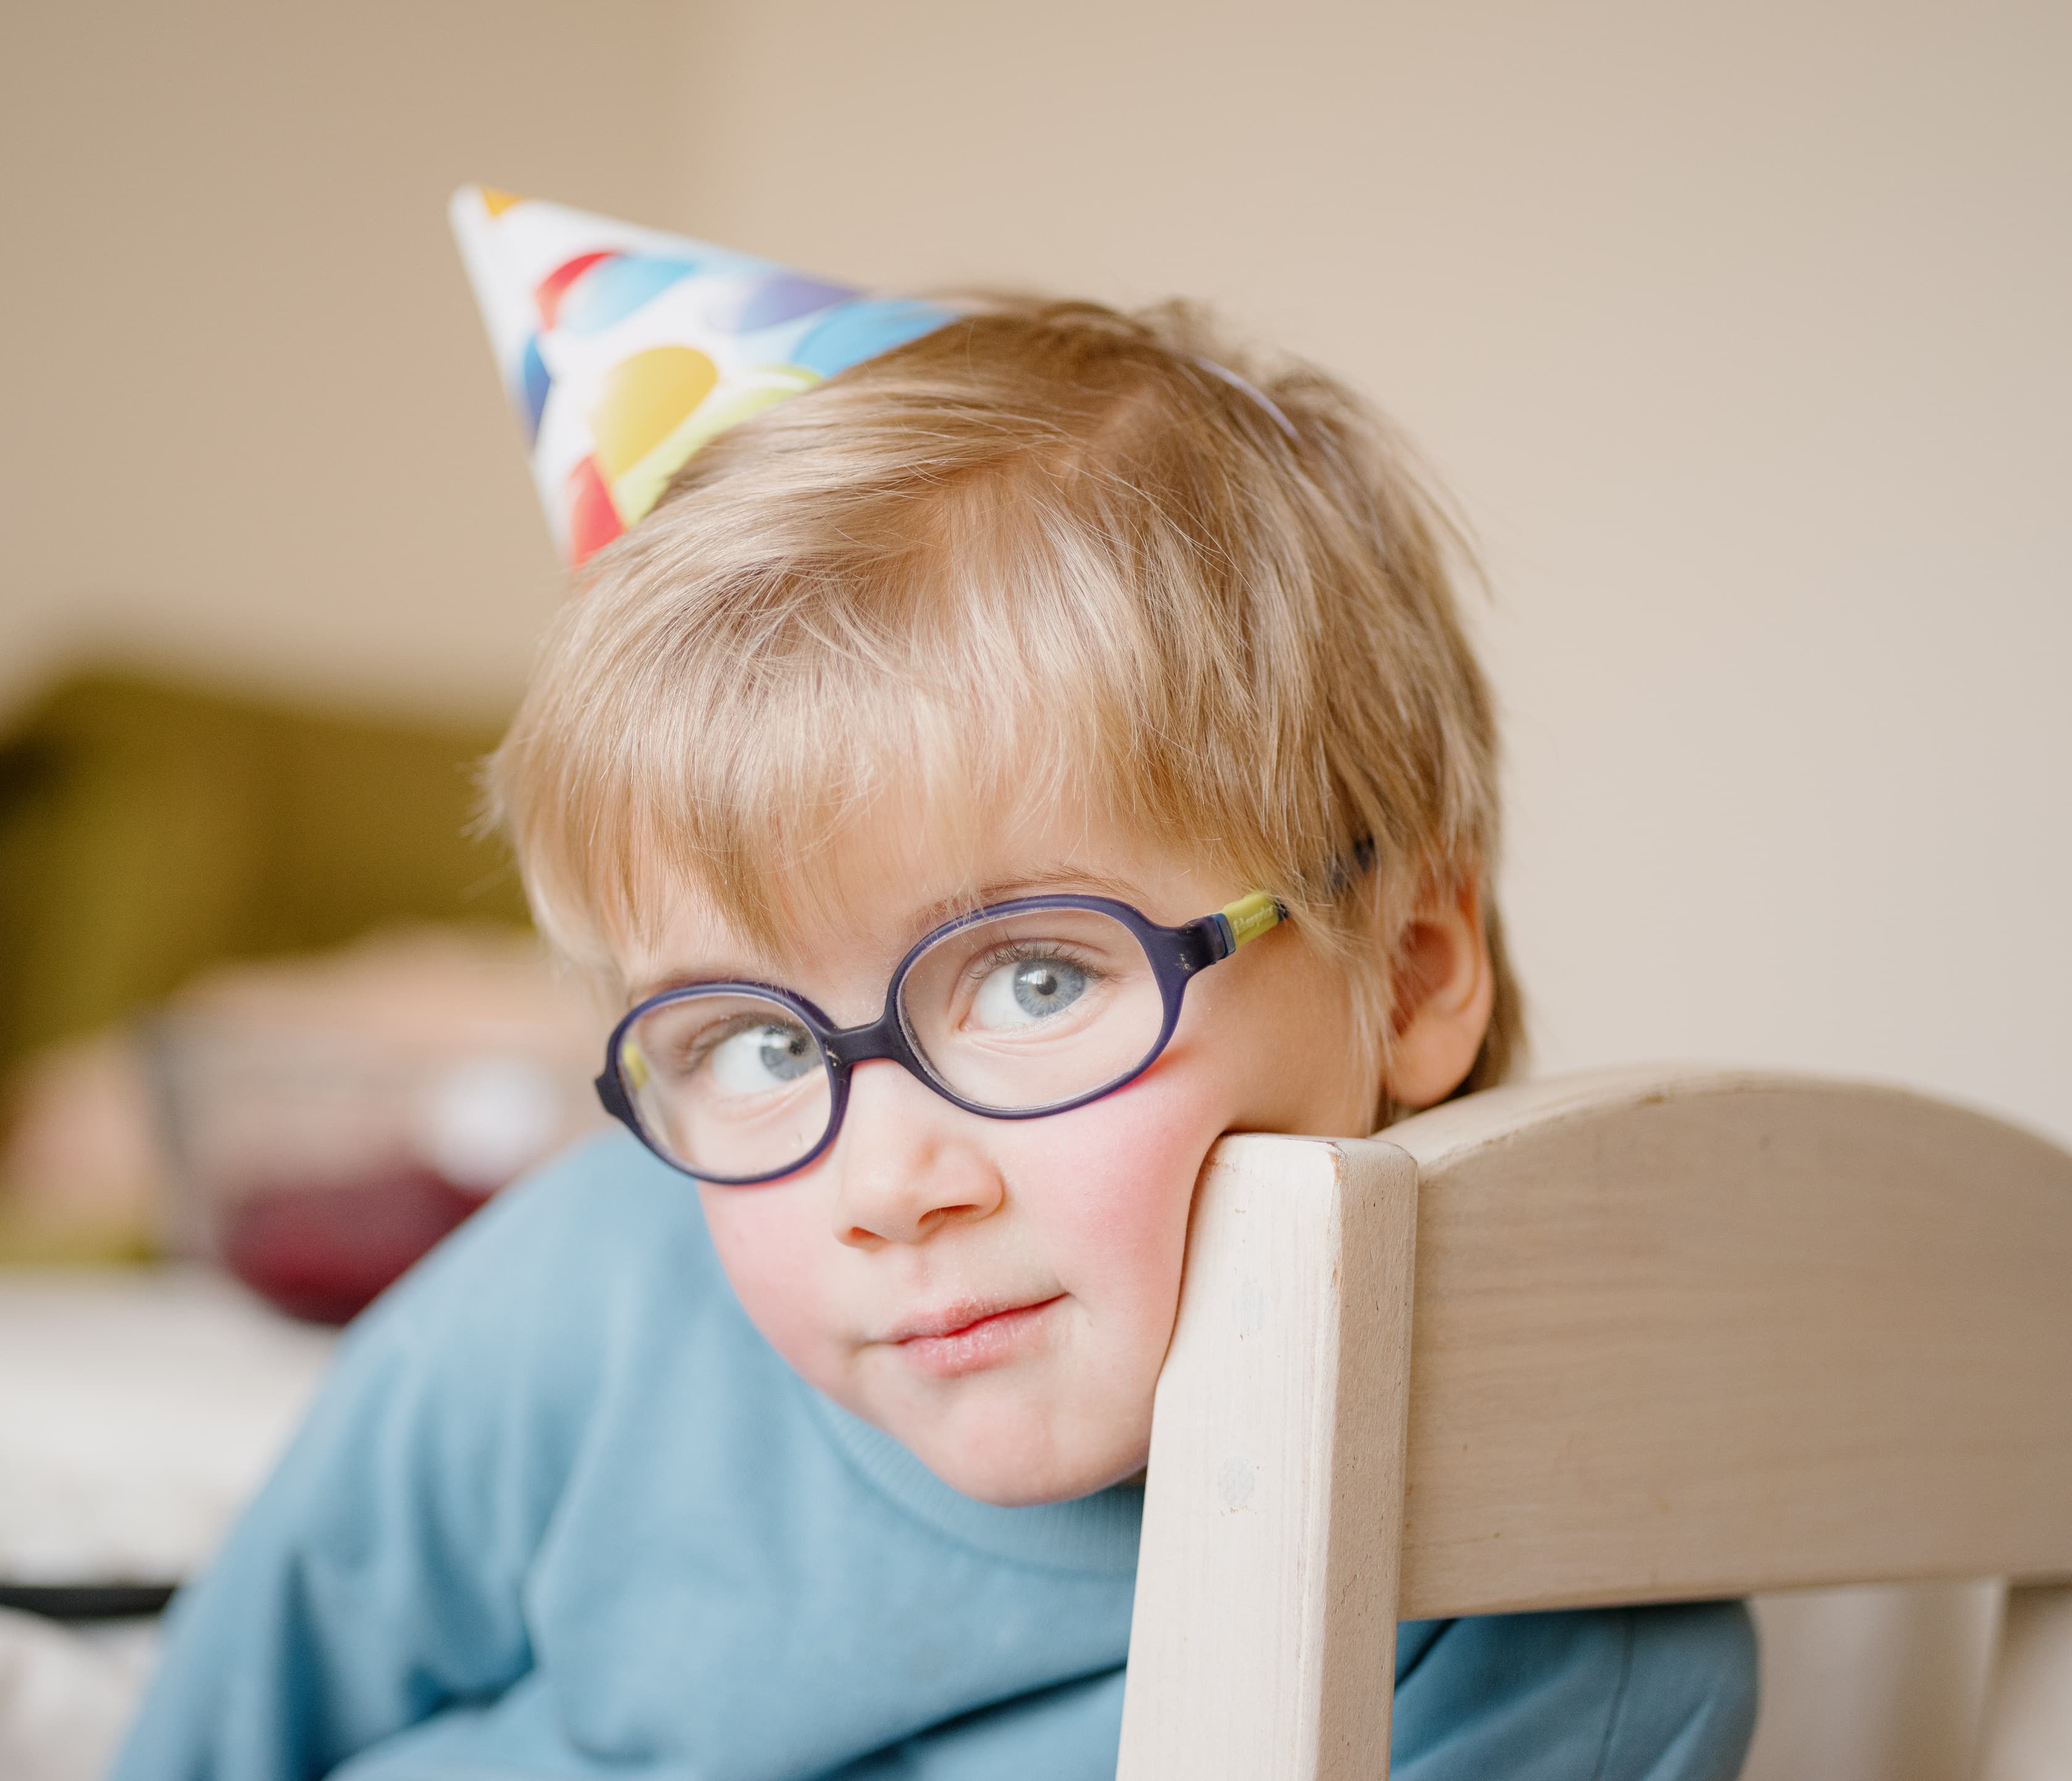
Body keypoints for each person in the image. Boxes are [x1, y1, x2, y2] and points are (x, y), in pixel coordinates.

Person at [112, 194, 1757, 1779]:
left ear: (1405, 974)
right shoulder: (583, 1294)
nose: (890, 1185)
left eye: (1035, 980)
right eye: (754, 1044)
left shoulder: (1543, 1637)